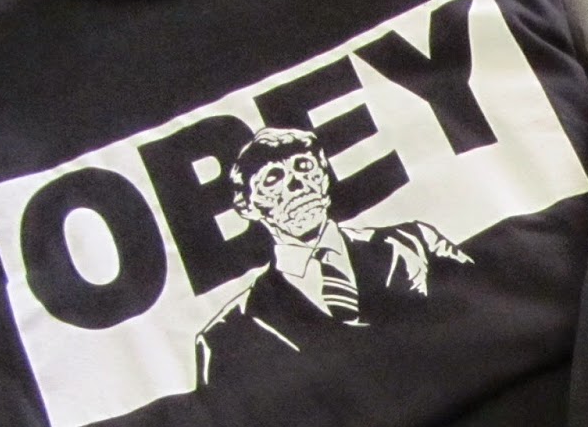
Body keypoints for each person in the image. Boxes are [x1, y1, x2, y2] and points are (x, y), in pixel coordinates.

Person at [195, 127, 472, 386]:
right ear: (247, 206)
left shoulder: (414, 241)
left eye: (304, 167)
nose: (296, 184)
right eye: (273, 179)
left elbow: (483, 309)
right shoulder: (226, 336)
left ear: (324, 175)